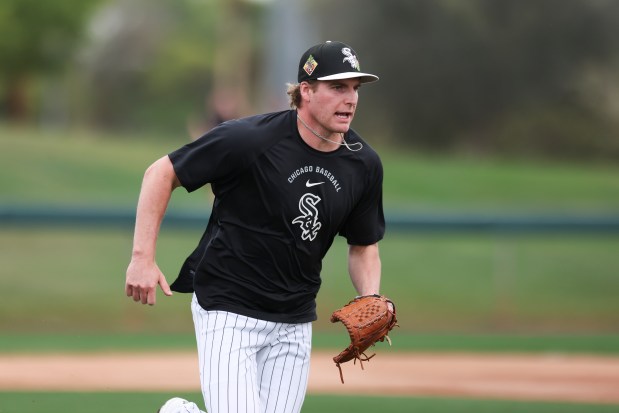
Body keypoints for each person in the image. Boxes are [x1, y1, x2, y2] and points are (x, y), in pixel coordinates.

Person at [125, 40, 385, 413]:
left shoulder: (363, 164)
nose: (351, 99)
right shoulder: (250, 139)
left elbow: (363, 246)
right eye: (338, 87)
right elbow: (160, 173)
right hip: (229, 306)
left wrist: (369, 297)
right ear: (306, 92)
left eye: (355, 88)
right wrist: (141, 257)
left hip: (294, 318)